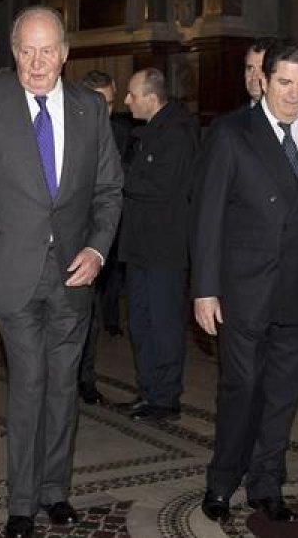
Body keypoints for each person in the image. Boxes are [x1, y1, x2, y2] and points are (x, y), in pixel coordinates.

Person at [0, 6, 122, 538]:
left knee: (63, 387)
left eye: (47, 49)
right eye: (26, 50)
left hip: (74, 275)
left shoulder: (88, 110)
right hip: (9, 271)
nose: (37, 61)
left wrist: (98, 251)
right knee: (29, 381)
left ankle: (56, 492)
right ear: (13, 51)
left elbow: (108, 190)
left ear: (66, 53)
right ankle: (22, 503)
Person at [191, 38, 298, 524]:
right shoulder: (231, 133)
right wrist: (205, 288)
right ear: (264, 80)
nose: (294, 94)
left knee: (282, 394)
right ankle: (222, 481)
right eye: (284, 82)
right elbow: (207, 217)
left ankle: (267, 484)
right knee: (241, 388)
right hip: (241, 291)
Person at [120, 67, 198, 422]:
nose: (126, 101)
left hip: (164, 248)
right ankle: (148, 390)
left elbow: (163, 186)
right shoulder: (150, 131)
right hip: (140, 245)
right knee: (141, 321)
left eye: (132, 95)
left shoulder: (177, 133)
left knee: (163, 323)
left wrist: (119, 177)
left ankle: (166, 397)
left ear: (151, 99)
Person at [77, 69, 132, 406]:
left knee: (93, 315)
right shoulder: (64, 128)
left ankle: (86, 378)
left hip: (104, 238)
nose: (105, 110)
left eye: (110, 103)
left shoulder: (122, 132)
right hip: (67, 238)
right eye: (99, 103)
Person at [242, 37, 273, 107]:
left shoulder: (296, 116)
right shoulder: (231, 118)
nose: (254, 77)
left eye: (262, 69)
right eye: (250, 68)